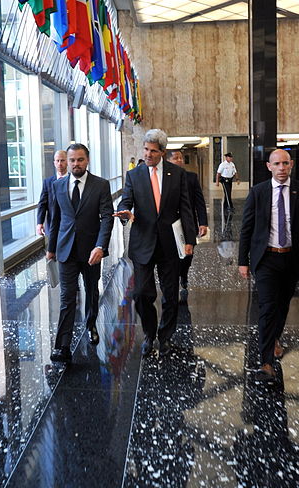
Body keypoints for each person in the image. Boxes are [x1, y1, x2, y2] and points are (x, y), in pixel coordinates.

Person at [238, 149, 299, 382]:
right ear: (269, 167)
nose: (282, 167)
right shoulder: (258, 193)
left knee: (282, 306)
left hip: (292, 259)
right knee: (267, 307)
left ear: (291, 165)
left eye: (285, 163)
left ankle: (274, 337)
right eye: (277, 164)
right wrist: (242, 261)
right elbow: (246, 228)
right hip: (266, 258)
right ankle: (266, 362)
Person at [115, 129, 196, 357]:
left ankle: (165, 336)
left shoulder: (177, 174)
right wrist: (124, 212)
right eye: (146, 149)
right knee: (141, 294)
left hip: (170, 245)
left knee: (171, 296)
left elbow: (186, 209)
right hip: (143, 243)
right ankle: (149, 334)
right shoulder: (134, 175)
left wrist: (189, 240)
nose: (148, 154)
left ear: (162, 152)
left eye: (153, 150)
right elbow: (127, 201)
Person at [46, 143, 114, 363]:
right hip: (66, 250)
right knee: (67, 297)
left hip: (91, 250)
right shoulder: (58, 186)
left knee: (92, 290)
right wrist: (51, 249)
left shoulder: (101, 185)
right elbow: (55, 219)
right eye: (72, 160)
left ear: (88, 160)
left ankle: (91, 324)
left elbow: (106, 218)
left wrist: (100, 246)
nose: (75, 164)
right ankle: (62, 346)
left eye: (80, 160)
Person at [167, 150, 208, 303]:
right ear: (168, 161)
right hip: (170, 224)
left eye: (181, 158)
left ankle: (183, 274)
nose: (179, 160)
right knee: (171, 255)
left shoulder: (191, 177)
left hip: (188, 223)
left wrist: (203, 222)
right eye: (175, 158)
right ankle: (173, 279)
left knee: (188, 255)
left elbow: (199, 201)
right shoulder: (164, 179)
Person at [36, 150, 68, 236]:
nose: (60, 163)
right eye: (57, 161)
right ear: (54, 163)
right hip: (52, 225)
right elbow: (42, 203)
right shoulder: (48, 182)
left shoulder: (73, 180)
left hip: (69, 225)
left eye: (62, 160)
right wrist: (40, 223)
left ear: (67, 161)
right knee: (52, 249)